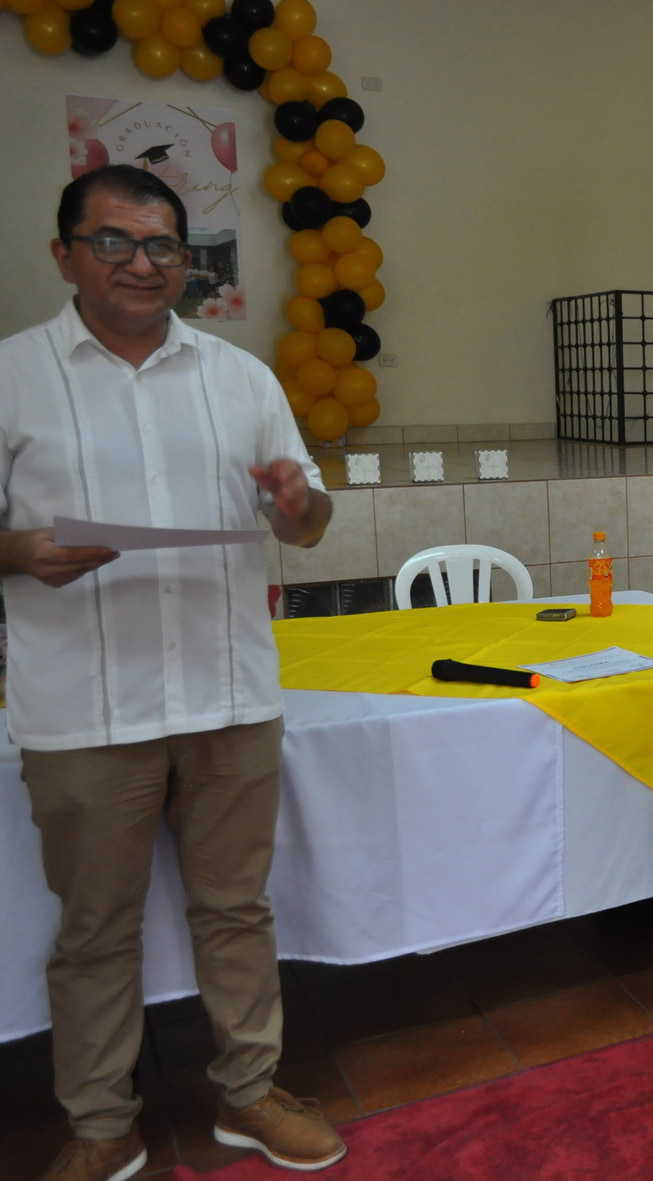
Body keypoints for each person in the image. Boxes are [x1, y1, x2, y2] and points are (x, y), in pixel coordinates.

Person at [1, 166, 340, 1181]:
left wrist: (297, 505)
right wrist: (20, 551)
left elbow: (307, 519)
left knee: (237, 909)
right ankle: (102, 1120)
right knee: (94, 929)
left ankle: (250, 1091)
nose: (141, 263)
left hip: (229, 695)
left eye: (161, 247)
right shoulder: (13, 375)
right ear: (64, 254)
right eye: (113, 241)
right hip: (83, 705)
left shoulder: (241, 377)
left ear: (185, 263)